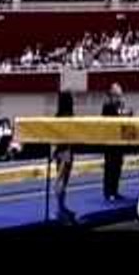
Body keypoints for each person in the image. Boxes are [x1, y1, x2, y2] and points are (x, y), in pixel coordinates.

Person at [53, 91, 77, 224]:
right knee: (60, 180)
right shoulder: (68, 116)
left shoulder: (57, 115)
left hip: (62, 149)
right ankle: (59, 210)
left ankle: (61, 207)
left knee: (63, 181)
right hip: (66, 150)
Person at [101, 83, 126, 201]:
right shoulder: (107, 106)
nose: (120, 96)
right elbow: (106, 123)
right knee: (110, 167)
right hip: (110, 141)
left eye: (120, 94)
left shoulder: (120, 105)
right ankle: (108, 192)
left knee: (118, 166)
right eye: (118, 93)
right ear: (112, 94)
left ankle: (115, 191)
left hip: (119, 141)